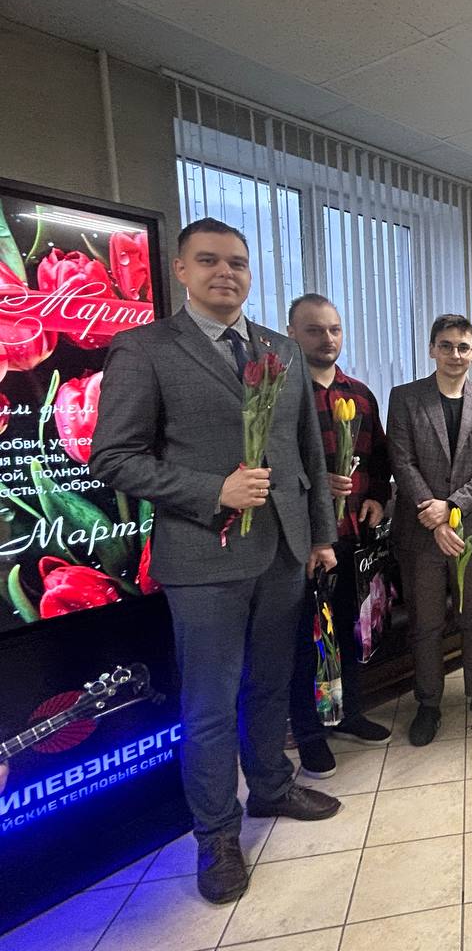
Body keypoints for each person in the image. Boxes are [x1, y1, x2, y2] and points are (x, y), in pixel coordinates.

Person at [90, 218, 340, 905]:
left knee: (269, 685)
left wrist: (321, 536)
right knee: (208, 705)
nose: (225, 272)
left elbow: (307, 451)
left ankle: (271, 787)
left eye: (237, 262)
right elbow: (113, 457)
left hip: (283, 551)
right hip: (204, 558)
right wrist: (212, 491)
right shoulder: (145, 349)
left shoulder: (279, 349)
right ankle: (217, 834)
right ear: (180, 269)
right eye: (208, 260)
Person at [387, 314, 472, 745]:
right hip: (420, 531)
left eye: (463, 347)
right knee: (425, 623)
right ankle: (428, 703)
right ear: (432, 349)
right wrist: (433, 513)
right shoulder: (405, 398)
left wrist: (452, 508)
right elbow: (401, 460)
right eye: (446, 345)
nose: (454, 354)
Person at [284, 293, 393, 778]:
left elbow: (380, 460)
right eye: (314, 330)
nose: (327, 339)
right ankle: (309, 734)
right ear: (292, 334)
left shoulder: (360, 395)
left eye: (334, 329)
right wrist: (313, 482)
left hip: (351, 537)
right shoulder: (284, 395)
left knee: (349, 631)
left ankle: (349, 714)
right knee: (306, 641)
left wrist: (377, 497)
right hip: (303, 543)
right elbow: (270, 468)